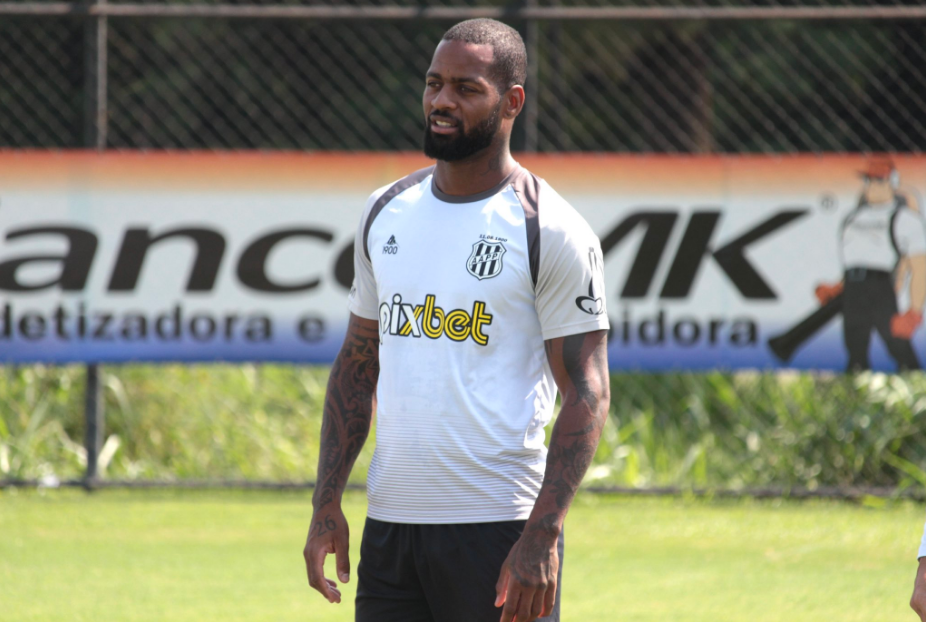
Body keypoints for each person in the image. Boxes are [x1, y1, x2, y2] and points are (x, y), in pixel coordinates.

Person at [302, 18, 611, 622]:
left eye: (466, 89)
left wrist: (542, 533)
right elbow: (358, 366)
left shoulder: (549, 228)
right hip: (391, 531)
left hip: (499, 531)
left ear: (512, 102)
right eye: (434, 84)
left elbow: (587, 390)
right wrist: (325, 503)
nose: (442, 101)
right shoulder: (385, 211)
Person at [814, 158, 925, 371]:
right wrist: (839, 287)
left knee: (898, 345)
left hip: (880, 286)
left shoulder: (904, 218)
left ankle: (915, 382)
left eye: (879, 180)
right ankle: (856, 384)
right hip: (853, 287)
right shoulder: (853, 217)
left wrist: (914, 311)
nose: (872, 185)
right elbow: (855, 259)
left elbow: (920, 267)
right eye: (868, 180)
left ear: (892, 183)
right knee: (854, 345)